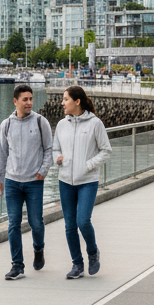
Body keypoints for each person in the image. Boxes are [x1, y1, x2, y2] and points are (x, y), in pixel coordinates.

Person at [0, 84, 53, 280]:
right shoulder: (6, 125)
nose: (29, 103)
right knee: (13, 224)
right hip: (12, 182)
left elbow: (49, 149)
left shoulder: (40, 122)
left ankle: (39, 249)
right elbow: (1, 154)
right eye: (25, 99)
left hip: (34, 182)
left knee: (36, 223)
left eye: (31, 99)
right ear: (15, 101)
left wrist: (43, 171)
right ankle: (17, 265)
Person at [53, 86, 111, 279]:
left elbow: (106, 150)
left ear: (77, 101)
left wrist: (88, 165)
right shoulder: (62, 125)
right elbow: (54, 149)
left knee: (83, 221)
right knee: (70, 225)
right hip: (65, 181)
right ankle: (77, 264)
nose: (62, 103)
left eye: (66, 99)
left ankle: (93, 252)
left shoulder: (95, 124)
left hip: (87, 180)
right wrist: (57, 157)